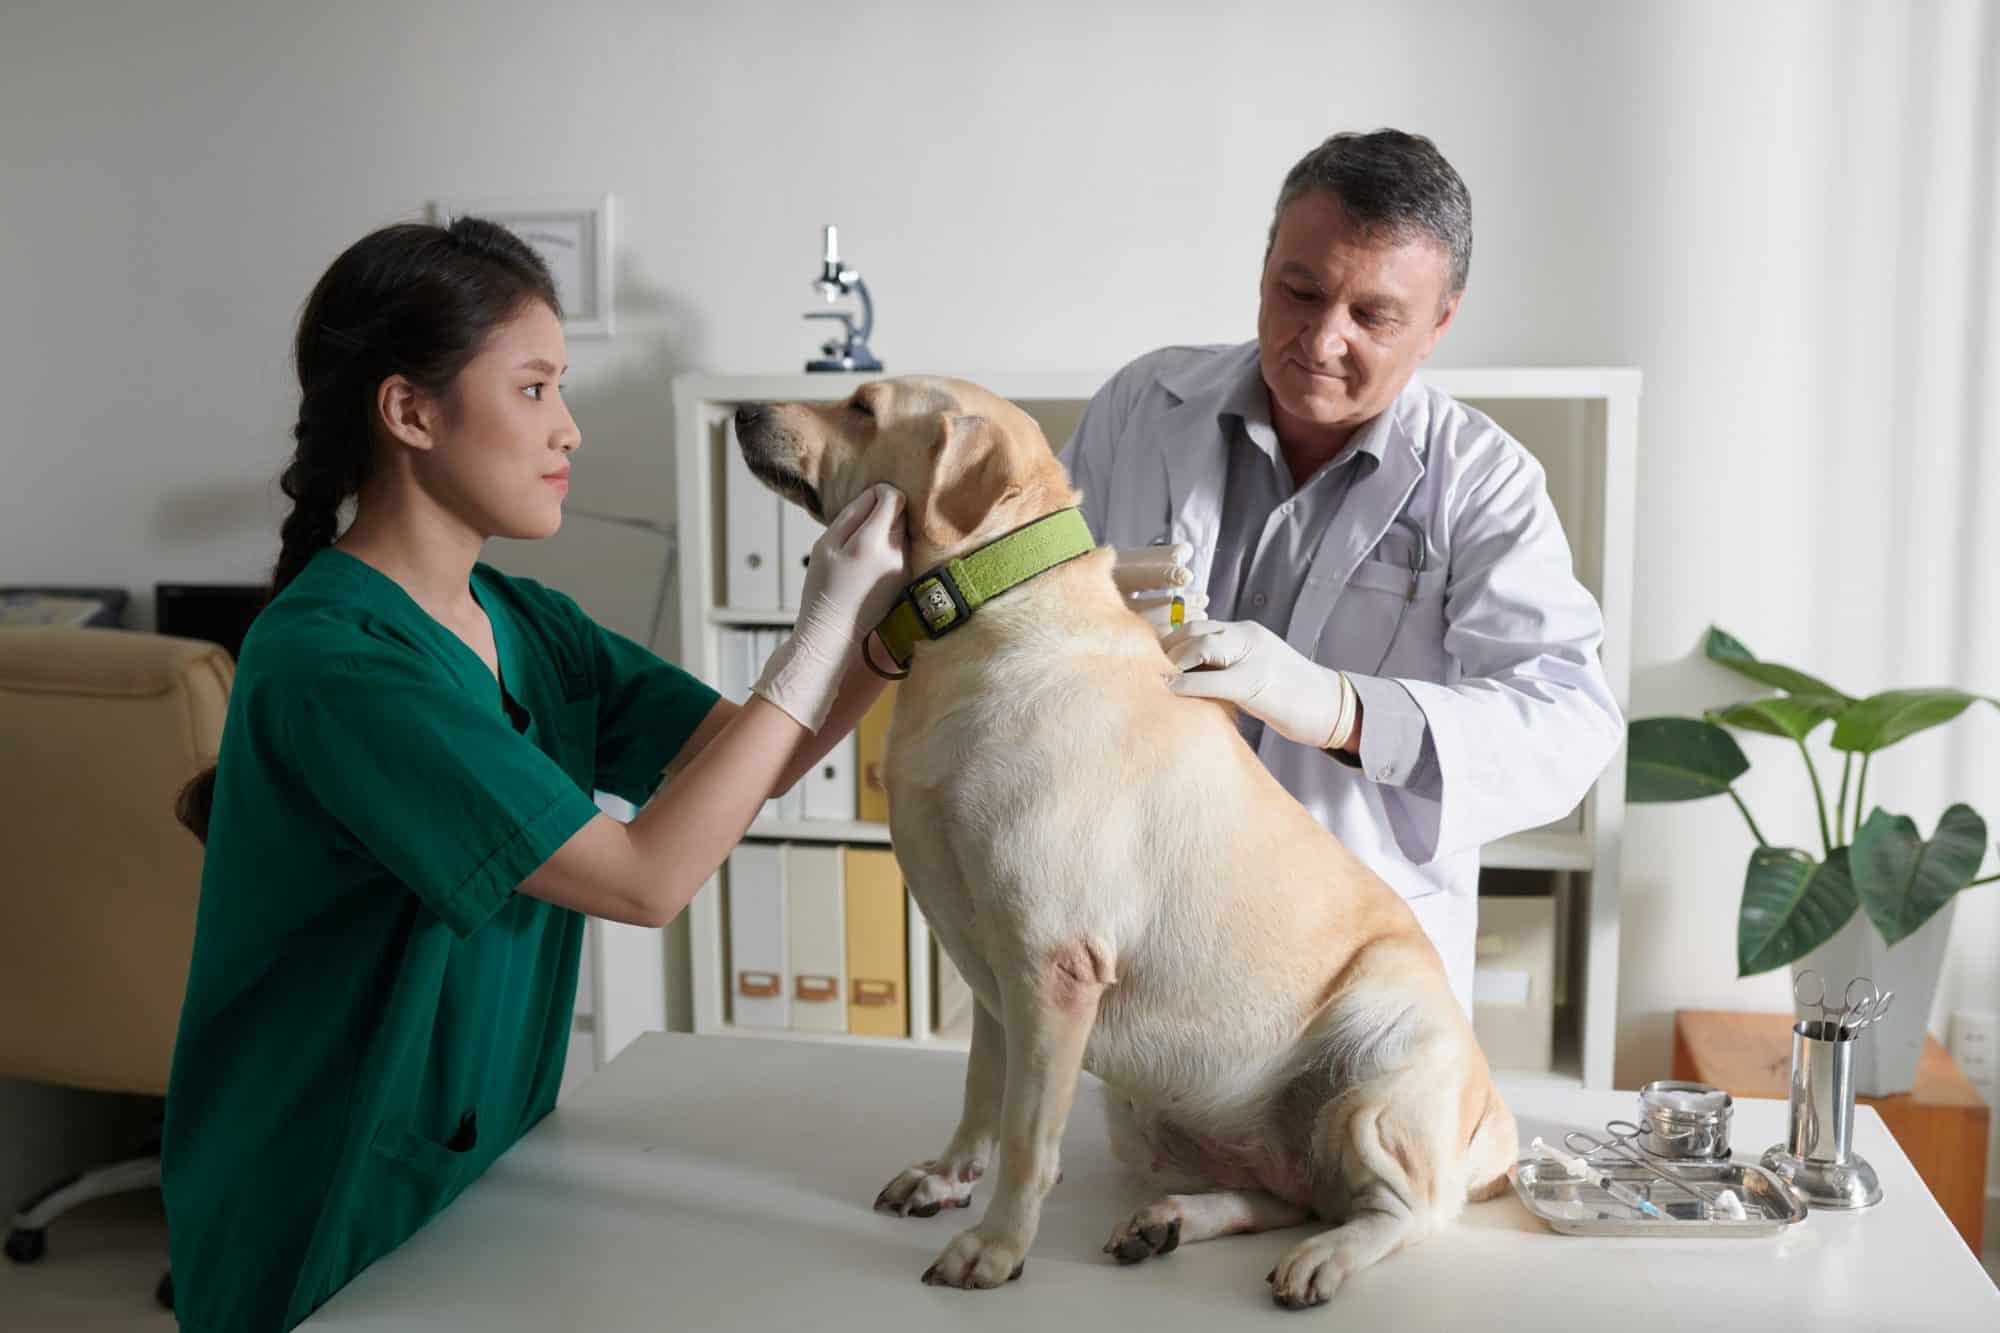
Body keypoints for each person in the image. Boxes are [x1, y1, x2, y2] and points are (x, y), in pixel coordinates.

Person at [161, 218, 907, 1332]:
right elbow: (644, 879)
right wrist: (821, 628)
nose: (568, 429)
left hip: (476, 1174)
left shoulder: (525, 623)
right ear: (410, 412)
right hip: (323, 1198)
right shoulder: (337, 662)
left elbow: (753, 758)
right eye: (534, 388)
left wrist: (886, 635)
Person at [1062, 129, 1622, 1011]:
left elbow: (1567, 723)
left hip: (1347, 967)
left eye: (1374, 316)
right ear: (1265, 270)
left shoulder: (1484, 482)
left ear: (1439, 323)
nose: (1323, 339)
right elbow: (1049, 603)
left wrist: (1341, 709)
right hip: (1140, 926)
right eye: (1301, 291)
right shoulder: (1145, 406)